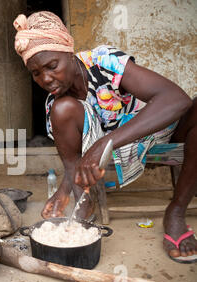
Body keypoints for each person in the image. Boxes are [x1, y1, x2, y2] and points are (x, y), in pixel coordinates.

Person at [13, 11, 196, 263]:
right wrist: (64, 191)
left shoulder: (104, 62)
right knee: (62, 108)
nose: (45, 78)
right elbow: (73, 161)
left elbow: (177, 100)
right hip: (117, 152)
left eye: (52, 66)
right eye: (35, 73)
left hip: (152, 131)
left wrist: (105, 143)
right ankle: (84, 204)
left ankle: (176, 211)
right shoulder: (56, 106)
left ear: (69, 50)